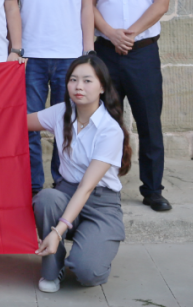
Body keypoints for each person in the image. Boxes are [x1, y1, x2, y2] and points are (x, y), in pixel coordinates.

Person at [9, 0, 96, 195]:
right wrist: (15, 49)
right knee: (27, 125)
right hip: (30, 57)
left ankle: (63, 184)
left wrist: (88, 52)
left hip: (70, 56)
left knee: (68, 124)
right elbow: (11, 7)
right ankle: (33, 187)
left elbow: (87, 7)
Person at [91, 0, 176, 212]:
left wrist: (130, 33)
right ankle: (103, 186)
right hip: (106, 53)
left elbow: (161, 3)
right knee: (105, 122)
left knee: (149, 122)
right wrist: (111, 34)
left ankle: (152, 190)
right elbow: (89, 5)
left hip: (142, 54)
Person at [29, 55, 131, 293]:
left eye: (87, 80)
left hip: (100, 203)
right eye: (73, 80)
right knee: (46, 198)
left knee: (87, 272)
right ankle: (52, 268)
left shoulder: (110, 130)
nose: (78, 86)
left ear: (102, 87)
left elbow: (86, 188)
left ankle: (92, 245)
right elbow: (17, 123)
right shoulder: (61, 112)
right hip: (66, 193)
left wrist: (58, 231)